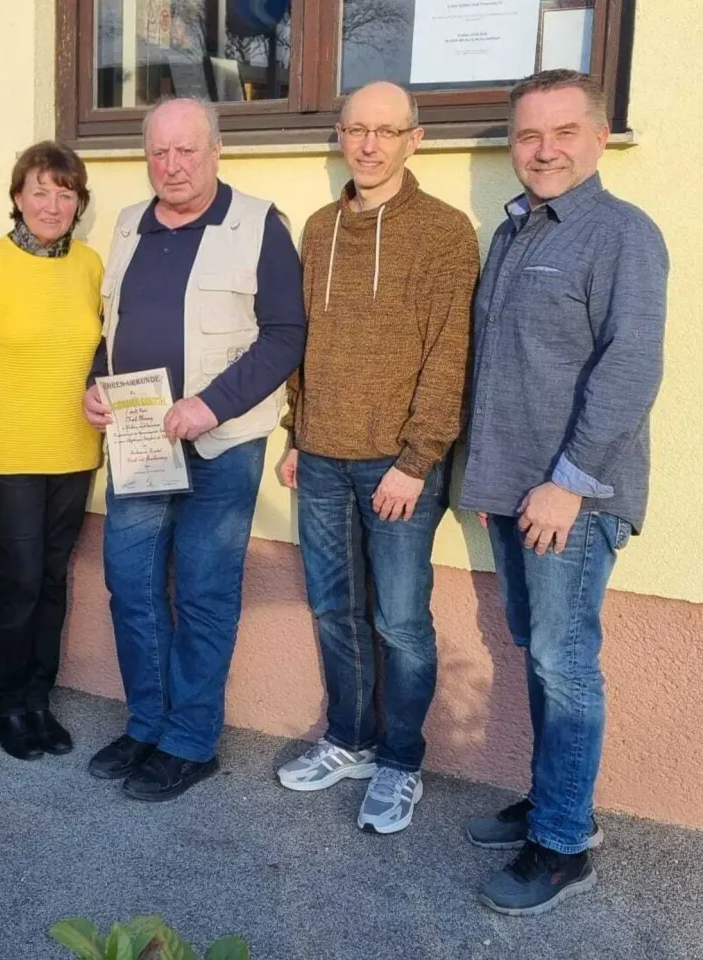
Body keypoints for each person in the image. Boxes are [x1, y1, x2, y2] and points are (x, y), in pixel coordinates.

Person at [459, 70, 668, 915]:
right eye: (527, 136)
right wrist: (492, 478)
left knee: (564, 663)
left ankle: (564, 844)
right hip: (516, 492)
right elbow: (504, 366)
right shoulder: (515, 232)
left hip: (573, 501)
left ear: (600, 134)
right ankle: (556, 802)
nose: (544, 151)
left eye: (563, 132)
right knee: (542, 656)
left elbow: (630, 370)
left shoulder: (621, 234)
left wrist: (568, 486)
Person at [83, 97, 306, 802]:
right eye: (159, 153)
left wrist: (212, 403)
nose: (172, 166)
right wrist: (97, 385)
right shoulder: (127, 226)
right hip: (142, 442)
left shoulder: (259, 224)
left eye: (187, 151)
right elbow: (108, 326)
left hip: (223, 444)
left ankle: (190, 741)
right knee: (132, 588)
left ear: (215, 151)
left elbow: (285, 335)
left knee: (205, 595)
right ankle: (147, 723)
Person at [274, 82, 478, 834]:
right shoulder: (320, 228)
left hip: (397, 467)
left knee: (399, 622)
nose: (369, 146)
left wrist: (417, 460)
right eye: (356, 130)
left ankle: (399, 761)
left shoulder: (446, 232)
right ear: (340, 135)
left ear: (413, 140)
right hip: (321, 458)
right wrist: (297, 434)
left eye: (386, 132)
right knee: (335, 611)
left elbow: (449, 355)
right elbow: (304, 342)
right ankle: (350, 740)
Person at [0, 141, 103, 761]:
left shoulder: (90, 265)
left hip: (74, 449)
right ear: (17, 197)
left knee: (53, 577)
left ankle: (39, 698)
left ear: (78, 203)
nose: (53, 203)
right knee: (18, 578)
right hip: (8, 454)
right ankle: (6, 702)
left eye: (66, 192)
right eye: (40, 190)